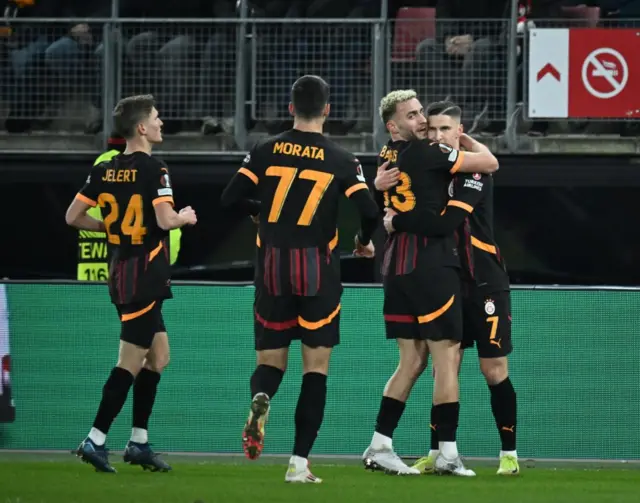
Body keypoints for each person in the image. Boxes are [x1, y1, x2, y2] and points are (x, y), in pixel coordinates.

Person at [220, 75, 379, 483]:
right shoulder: (342, 159)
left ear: (290, 109)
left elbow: (228, 198)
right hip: (317, 270)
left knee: (271, 361)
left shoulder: (264, 149)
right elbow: (371, 212)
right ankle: (299, 463)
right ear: (328, 110)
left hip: (271, 265)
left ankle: (262, 397)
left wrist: (261, 209)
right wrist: (362, 242)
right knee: (316, 368)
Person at [362, 90, 498, 476]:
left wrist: (387, 210)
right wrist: (463, 139)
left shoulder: (389, 155)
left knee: (411, 361)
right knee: (446, 360)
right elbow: (490, 163)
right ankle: (447, 453)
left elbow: (384, 193)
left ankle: (380, 444)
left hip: (396, 265)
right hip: (431, 265)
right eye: (413, 116)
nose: (422, 122)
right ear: (394, 126)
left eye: (424, 114)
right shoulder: (429, 153)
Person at [65, 95, 197, 473]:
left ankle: (138, 442)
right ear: (141, 127)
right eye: (156, 118)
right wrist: (184, 216)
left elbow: (73, 216)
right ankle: (95, 439)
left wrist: (112, 230)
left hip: (122, 269)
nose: (161, 124)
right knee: (130, 362)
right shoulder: (155, 169)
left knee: (158, 358)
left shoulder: (104, 170)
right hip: (144, 273)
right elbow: (164, 220)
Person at [77, 133, 183, 281]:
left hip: (94, 266)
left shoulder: (100, 167)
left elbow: (73, 216)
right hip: (136, 264)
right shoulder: (147, 168)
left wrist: (109, 227)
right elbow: (166, 222)